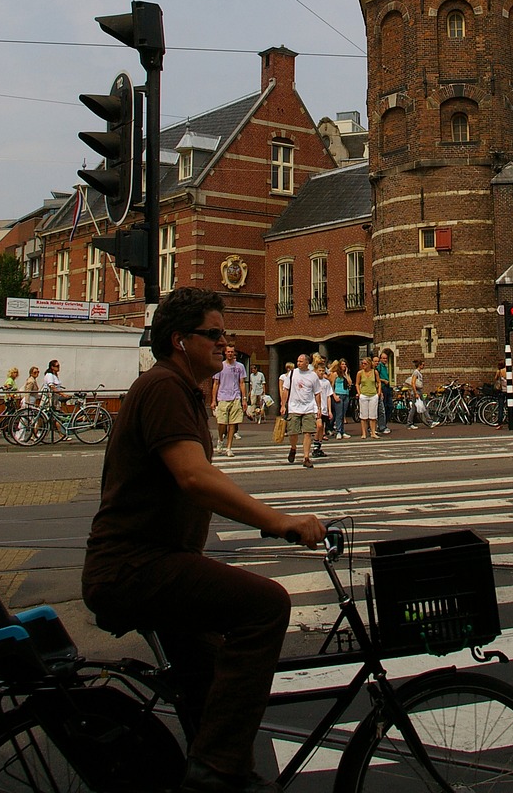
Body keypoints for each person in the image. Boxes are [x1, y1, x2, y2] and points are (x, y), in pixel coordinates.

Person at [81, 287, 325, 793]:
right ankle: (215, 771)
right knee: (265, 606)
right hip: (137, 565)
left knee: (210, 677)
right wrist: (278, 521)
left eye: (224, 333)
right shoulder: (164, 387)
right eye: (213, 334)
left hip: (153, 562)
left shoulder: (184, 391)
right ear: (179, 340)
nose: (225, 342)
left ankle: (211, 767)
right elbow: (193, 477)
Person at [281, 354, 322, 468]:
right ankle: (293, 448)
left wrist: (318, 408)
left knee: (307, 433)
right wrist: (283, 405)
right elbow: (286, 390)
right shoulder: (292, 373)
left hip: (308, 407)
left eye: (300, 361)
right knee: (293, 432)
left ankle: (306, 457)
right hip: (294, 407)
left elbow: (317, 393)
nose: (298, 363)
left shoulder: (313, 376)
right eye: (297, 361)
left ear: (307, 363)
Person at [211, 345, 247, 457]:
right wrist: (213, 400)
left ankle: (229, 447)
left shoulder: (240, 366)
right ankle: (221, 439)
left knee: (232, 423)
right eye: (228, 352)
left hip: (235, 397)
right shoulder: (220, 366)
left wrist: (244, 399)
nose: (230, 354)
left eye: (232, 352)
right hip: (222, 398)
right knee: (222, 423)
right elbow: (216, 383)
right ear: (225, 353)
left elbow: (242, 383)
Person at [311, 360, 334, 459]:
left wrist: (329, 410)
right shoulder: (313, 381)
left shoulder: (326, 382)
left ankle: (318, 447)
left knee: (322, 429)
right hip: (315, 407)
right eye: (319, 370)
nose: (321, 372)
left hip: (324, 407)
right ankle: (315, 447)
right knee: (319, 426)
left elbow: (329, 396)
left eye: (322, 371)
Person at [356, 357, 381, 439]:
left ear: (369, 364)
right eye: (362, 363)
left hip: (373, 395)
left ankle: (373, 432)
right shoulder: (360, 373)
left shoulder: (375, 372)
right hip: (364, 395)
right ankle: (364, 433)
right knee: (363, 416)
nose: (363, 365)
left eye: (365, 363)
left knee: (373, 415)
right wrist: (359, 393)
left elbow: (379, 382)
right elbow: (357, 383)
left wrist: (379, 392)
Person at [406, 357, 432, 428]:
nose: (424, 366)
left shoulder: (418, 372)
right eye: (423, 365)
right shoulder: (416, 372)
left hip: (418, 391)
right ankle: (429, 422)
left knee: (415, 408)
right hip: (417, 391)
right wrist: (416, 393)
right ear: (419, 365)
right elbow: (413, 383)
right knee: (421, 407)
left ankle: (410, 423)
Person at [330, 359, 352, 439]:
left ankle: (342, 431)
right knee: (339, 414)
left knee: (343, 414)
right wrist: (334, 395)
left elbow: (350, 383)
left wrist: (346, 374)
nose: (344, 366)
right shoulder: (335, 374)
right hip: (338, 394)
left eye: (345, 364)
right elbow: (331, 386)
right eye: (342, 364)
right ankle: (339, 431)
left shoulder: (346, 374)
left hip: (346, 394)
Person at [377, 350, 393, 434]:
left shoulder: (385, 367)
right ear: (380, 359)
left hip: (387, 388)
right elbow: (376, 378)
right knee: (383, 407)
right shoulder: (379, 366)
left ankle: (383, 424)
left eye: (386, 358)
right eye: (383, 358)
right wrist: (384, 380)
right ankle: (382, 425)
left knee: (390, 406)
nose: (385, 360)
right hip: (383, 387)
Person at [493, 362, 507, 428]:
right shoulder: (508, 371)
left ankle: (500, 423)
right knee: (511, 405)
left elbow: (495, 378)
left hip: (501, 391)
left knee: (501, 407)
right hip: (508, 390)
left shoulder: (499, 371)